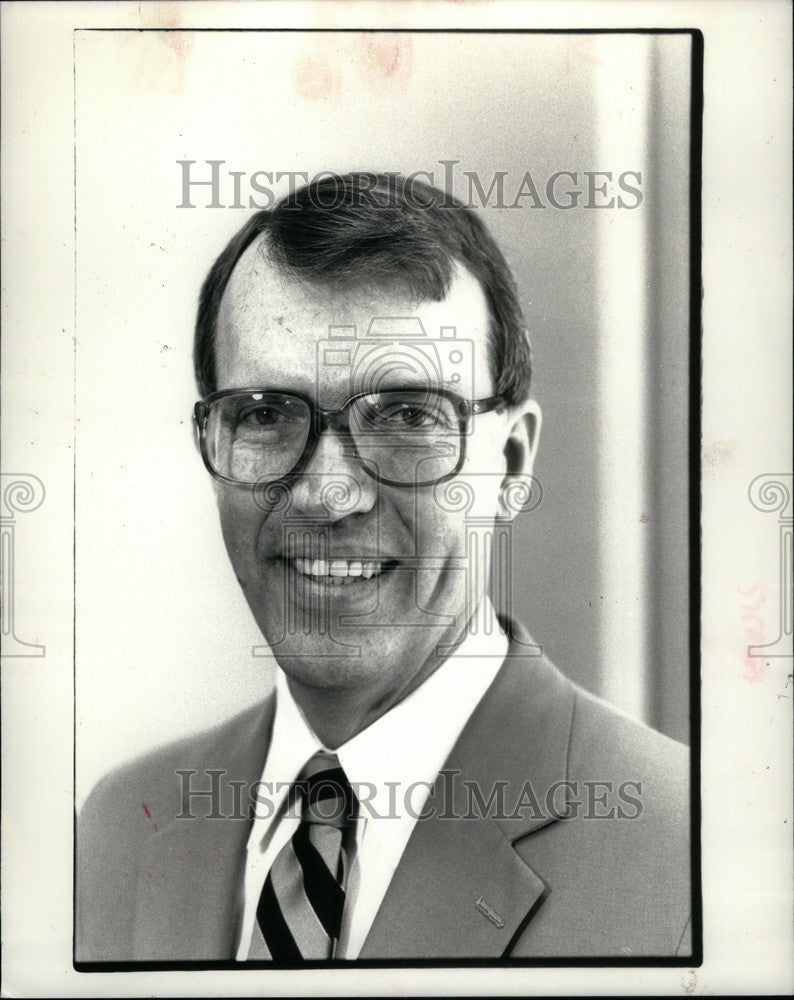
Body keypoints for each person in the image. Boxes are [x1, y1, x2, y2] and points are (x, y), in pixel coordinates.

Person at [76, 173, 691, 962]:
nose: (329, 494)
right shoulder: (119, 829)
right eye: (264, 414)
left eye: (406, 415)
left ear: (508, 464)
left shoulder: (688, 856)